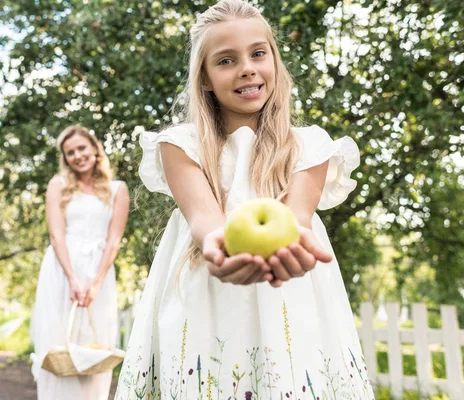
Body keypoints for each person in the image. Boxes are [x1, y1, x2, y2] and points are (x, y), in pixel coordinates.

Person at [115, 1, 374, 399]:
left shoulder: (310, 146)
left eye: (258, 53)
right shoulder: (180, 145)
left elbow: (298, 217)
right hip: (205, 288)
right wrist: (221, 247)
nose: (247, 68)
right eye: (226, 60)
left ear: (274, 60)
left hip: (290, 292)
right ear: (204, 78)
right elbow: (205, 219)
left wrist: (294, 241)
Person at [31, 125, 129, 400]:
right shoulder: (58, 185)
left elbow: (114, 239)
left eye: (82, 148)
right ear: (65, 158)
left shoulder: (117, 189)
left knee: (93, 346)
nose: (77, 155)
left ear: (95, 148)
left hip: (99, 272)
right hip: (63, 270)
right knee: (59, 344)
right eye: (70, 152)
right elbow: (56, 234)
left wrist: (95, 282)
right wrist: (73, 278)